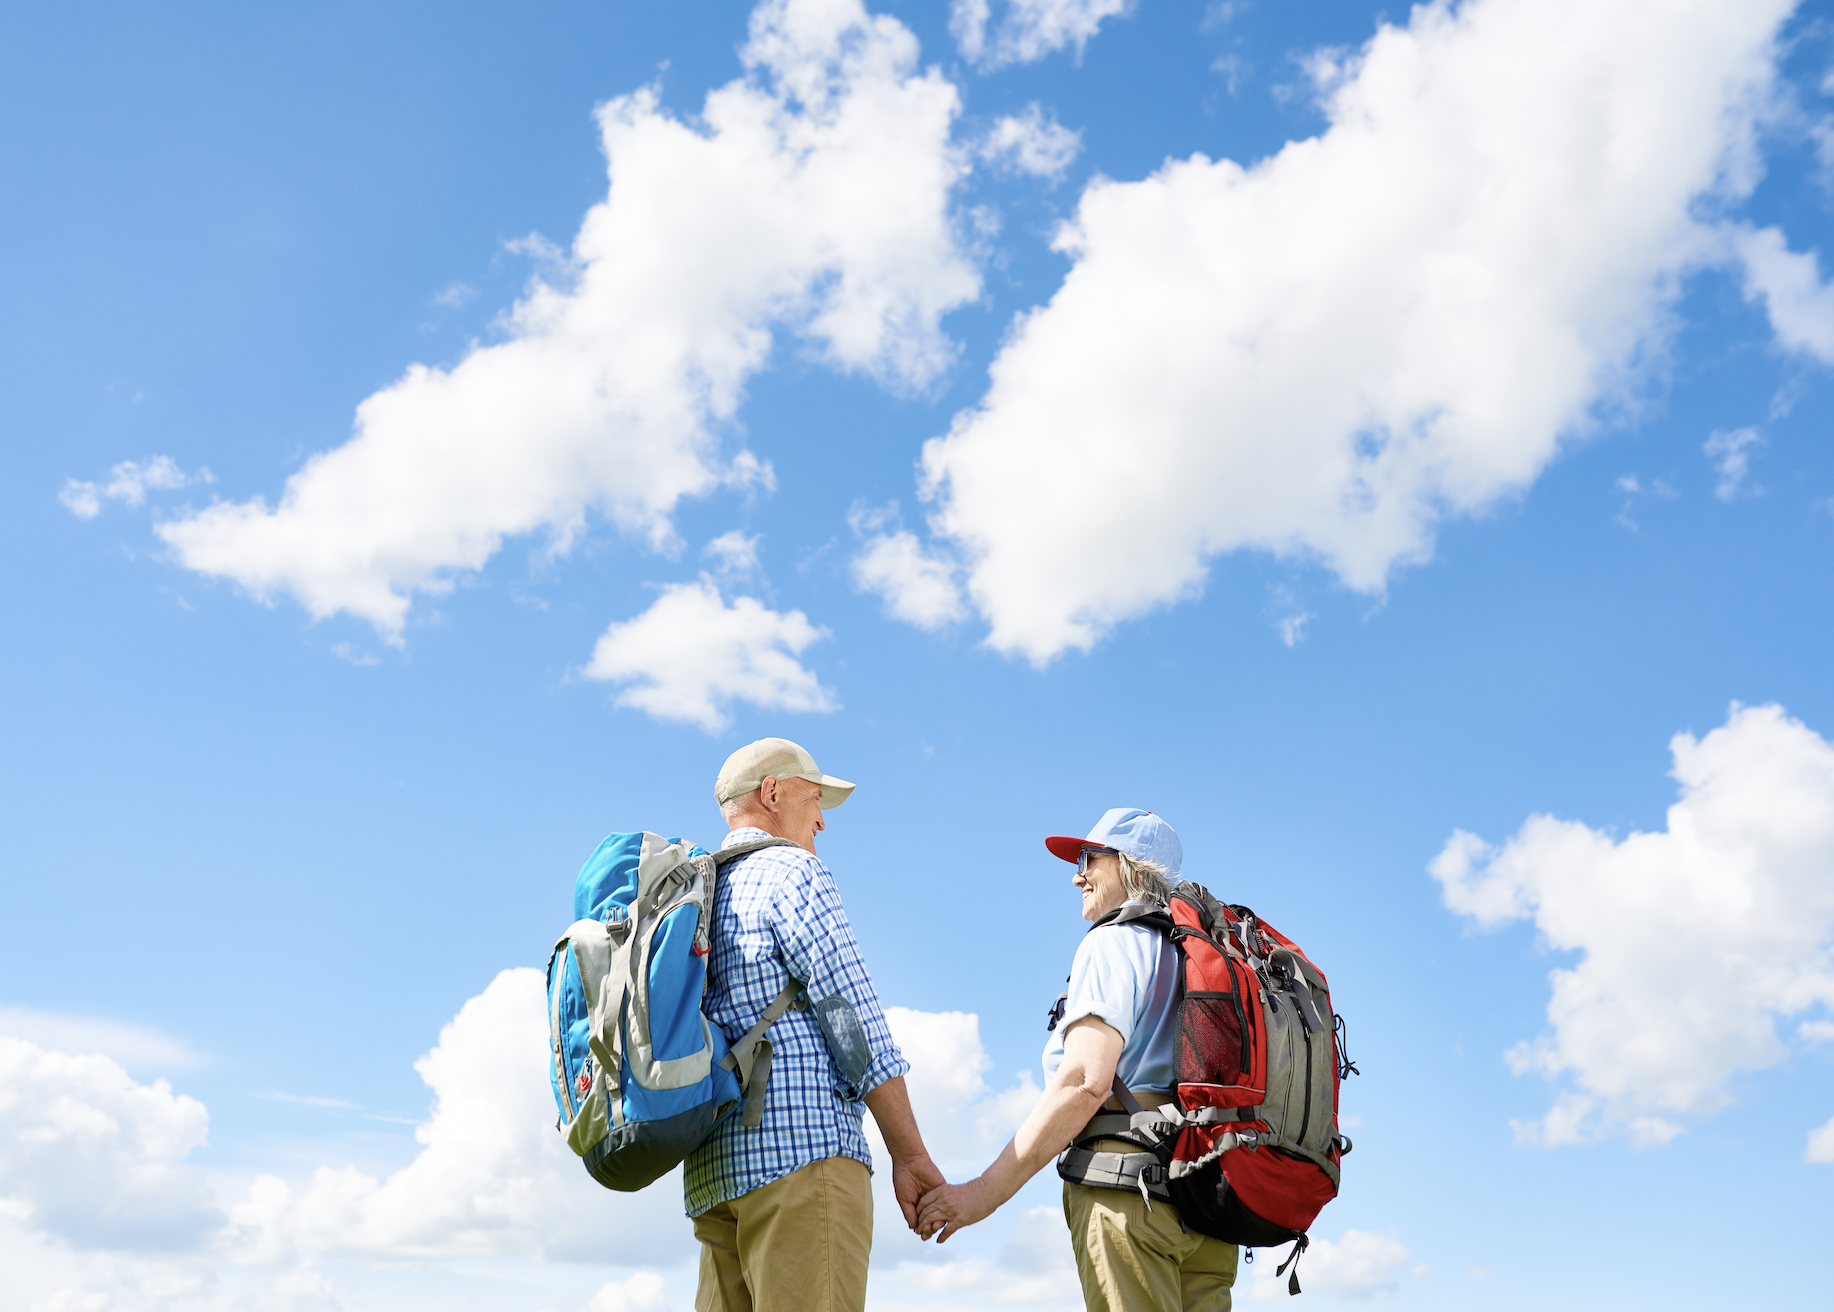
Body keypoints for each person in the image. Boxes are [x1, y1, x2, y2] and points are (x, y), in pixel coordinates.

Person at [915, 808, 1241, 1311]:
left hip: (1131, 1194)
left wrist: (983, 1192)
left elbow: (1085, 1082)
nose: (1077, 874)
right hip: (1208, 1202)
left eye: (1090, 857)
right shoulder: (1207, 958)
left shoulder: (1113, 943)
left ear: (1130, 864)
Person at [686, 737, 943, 1312]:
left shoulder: (699, 892)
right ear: (772, 793)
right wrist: (910, 1153)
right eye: (814, 798)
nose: (822, 821)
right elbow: (851, 1019)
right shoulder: (792, 871)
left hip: (712, 1176)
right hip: (802, 1161)